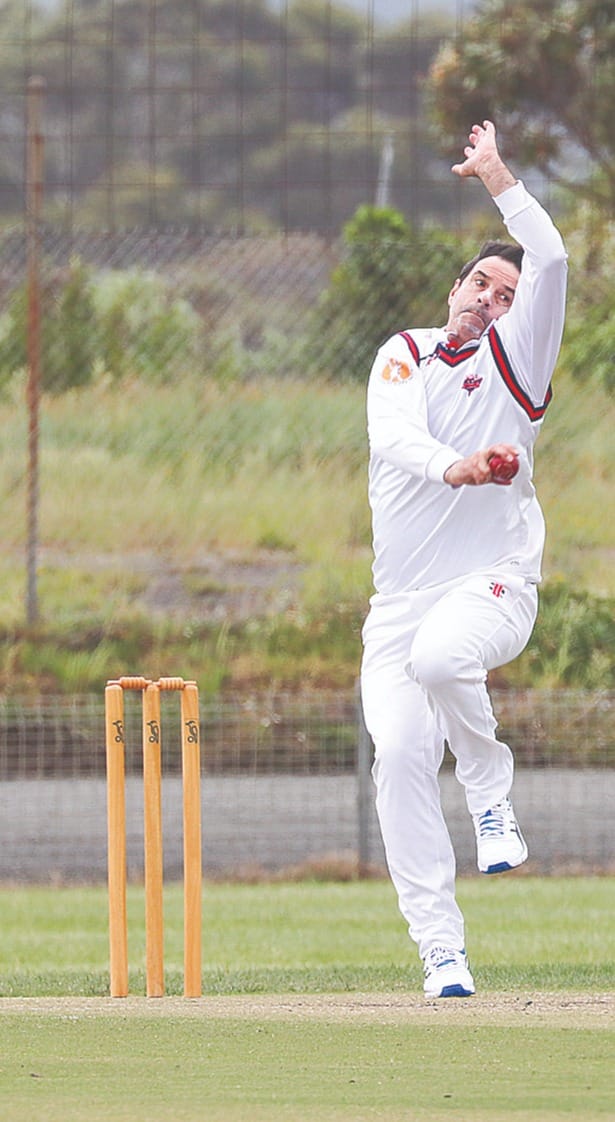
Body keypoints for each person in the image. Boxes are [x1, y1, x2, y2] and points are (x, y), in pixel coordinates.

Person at [360, 120, 568, 999]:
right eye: (480, 281)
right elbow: (399, 439)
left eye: (505, 291)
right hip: (397, 602)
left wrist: (495, 177)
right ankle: (441, 952)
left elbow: (550, 259)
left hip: (492, 588)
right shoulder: (401, 354)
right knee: (399, 757)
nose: (491, 296)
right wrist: (455, 466)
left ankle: (489, 791)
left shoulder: (518, 360)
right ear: (455, 287)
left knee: (444, 656)